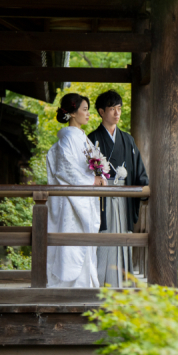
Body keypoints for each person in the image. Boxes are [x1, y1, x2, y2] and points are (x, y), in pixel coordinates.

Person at [88, 90, 149, 287]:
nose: (117, 113)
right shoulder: (92, 138)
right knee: (105, 234)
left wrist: (144, 186)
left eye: (119, 108)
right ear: (101, 112)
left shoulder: (127, 140)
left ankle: (122, 279)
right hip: (102, 197)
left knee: (123, 235)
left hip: (124, 196)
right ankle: (103, 280)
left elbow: (138, 168)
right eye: (112, 109)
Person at [45, 93, 106, 288]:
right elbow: (66, 170)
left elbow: (90, 166)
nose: (88, 114)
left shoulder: (81, 138)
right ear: (72, 113)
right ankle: (69, 286)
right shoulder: (68, 139)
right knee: (70, 244)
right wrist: (93, 179)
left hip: (82, 198)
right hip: (71, 202)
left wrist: (100, 175)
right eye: (84, 110)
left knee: (82, 244)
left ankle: (85, 283)